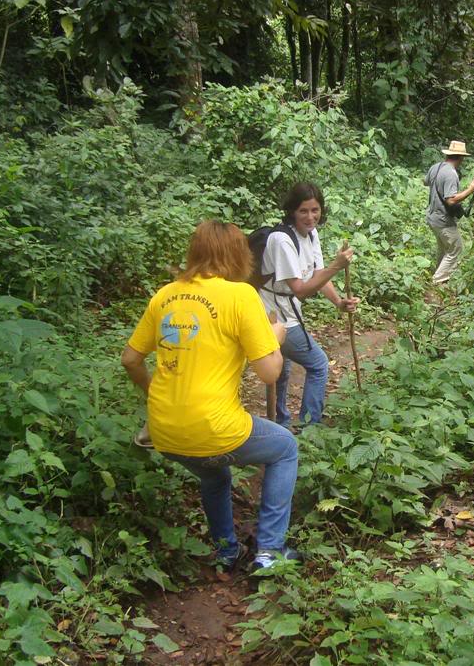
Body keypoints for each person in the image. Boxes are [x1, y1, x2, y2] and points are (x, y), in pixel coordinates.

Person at [121, 220, 301, 571]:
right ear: (238, 255)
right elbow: (270, 372)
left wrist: (155, 393)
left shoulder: (165, 294)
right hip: (214, 428)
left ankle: (225, 549)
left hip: (165, 431)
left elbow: (130, 359)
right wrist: (275, 335)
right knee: (285, 448)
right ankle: (269, 551)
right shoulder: (240, 295)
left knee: (213, 474)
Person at [257, 182, 358, 428]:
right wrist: (338, 266)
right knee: (318, 364)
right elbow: (300, 289)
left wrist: (338, 302)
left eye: (315, 210)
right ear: (292, 211)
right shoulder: (282, 240)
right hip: (272, 313)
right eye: (303, 211)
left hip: (284, 308)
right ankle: (310, 426)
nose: (310, 217)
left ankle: (280, 422)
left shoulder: (310, 234)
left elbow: (318, 274)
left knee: (282, 368)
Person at [425, 140, 474, 284]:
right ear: (461, 157)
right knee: (456, 248)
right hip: (443, 220)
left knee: (444, 248)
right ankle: (438, 280)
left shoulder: (436, 167)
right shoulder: (451, 174)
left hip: (432, 216)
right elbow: (450, 200)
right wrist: (471, 189)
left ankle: (439, 274)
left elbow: (426, 182)